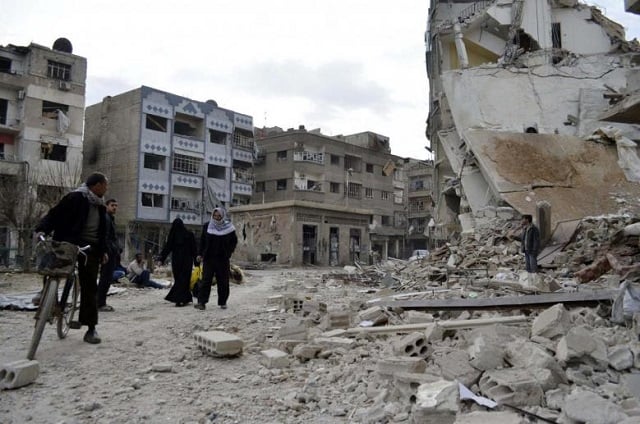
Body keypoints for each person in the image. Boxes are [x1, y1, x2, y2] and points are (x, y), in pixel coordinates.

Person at [35, 172, 109, 344]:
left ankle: (91, 328)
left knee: (89, 286)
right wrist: (42, 229)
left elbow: (102, 233)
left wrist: (103, 250)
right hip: (69, 242)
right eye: (105, 185)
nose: (106, 189)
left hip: (89, 249)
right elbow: (54, 214)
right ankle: (46, 296)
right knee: (51, 266)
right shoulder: (75, 198)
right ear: (96, 185)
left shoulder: (101, 206)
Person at [195, 207, 237, 310]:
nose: (217, 218)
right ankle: (201, 302)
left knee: (223, 281)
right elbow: (203, 242)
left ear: (222, 216)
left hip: (223, 259)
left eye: (219, 216)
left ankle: (223, 302)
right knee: (206, 280)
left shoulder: (229, 228)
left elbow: (234, 241)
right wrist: (200, 254)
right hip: (209, 258)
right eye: (215, 216)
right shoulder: (207, 226)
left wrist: (229, 252)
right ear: (212, 215)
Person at [159, 218, 197, 307]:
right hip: (187, 261)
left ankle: (178, 299)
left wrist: (161, 259)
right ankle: (184, 299)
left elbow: (167, 248)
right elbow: (194, 249)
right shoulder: (189, 234)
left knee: (179, 280)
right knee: (184, 280)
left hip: (177, 261)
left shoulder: (173, 235)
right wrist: (196, 261)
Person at [96, 199, 120, 312]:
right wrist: (105, 251)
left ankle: (100, 302)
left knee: (106, 278)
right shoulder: (106, 218)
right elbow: (104, 237)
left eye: (116, 205)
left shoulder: (110, 218)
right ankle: (100, 303)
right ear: (107, 206)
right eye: (112, 205)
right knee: (105, 278)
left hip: (111, 251)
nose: (114, 207)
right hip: (108, 253)